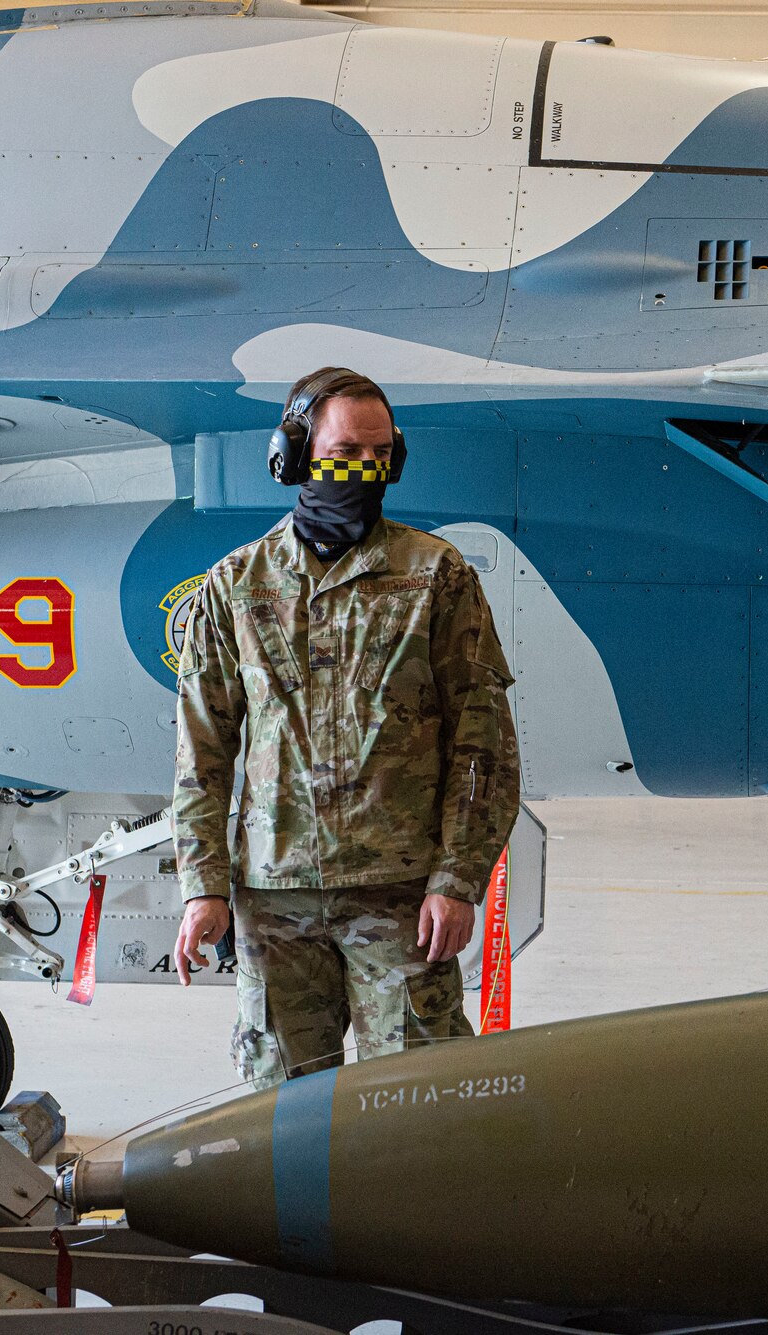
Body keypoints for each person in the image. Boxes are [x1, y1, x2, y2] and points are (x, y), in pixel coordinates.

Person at [169, 366, 521, 1088]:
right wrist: (203, 887)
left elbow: (483, 744)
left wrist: (458, 879)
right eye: (339, 454)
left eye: (376, 455)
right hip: (273, 902)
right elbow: (202, 752)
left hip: (401, 897)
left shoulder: (438, 578)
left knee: (420, 1110)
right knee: (281, 1118)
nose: (358, 471)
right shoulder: (234, 587)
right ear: (294, 455)